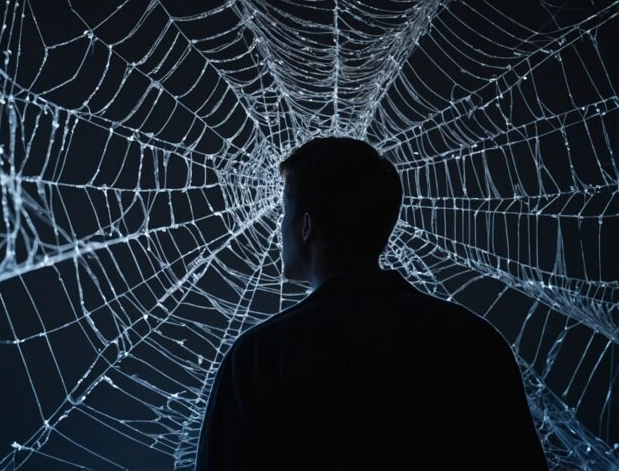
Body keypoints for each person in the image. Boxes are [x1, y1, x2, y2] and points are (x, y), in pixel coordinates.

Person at [195, 137, 547, 470]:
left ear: (306, 227)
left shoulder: (260, 357)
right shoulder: (475, 341)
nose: (279, 229)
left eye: (283, 211)